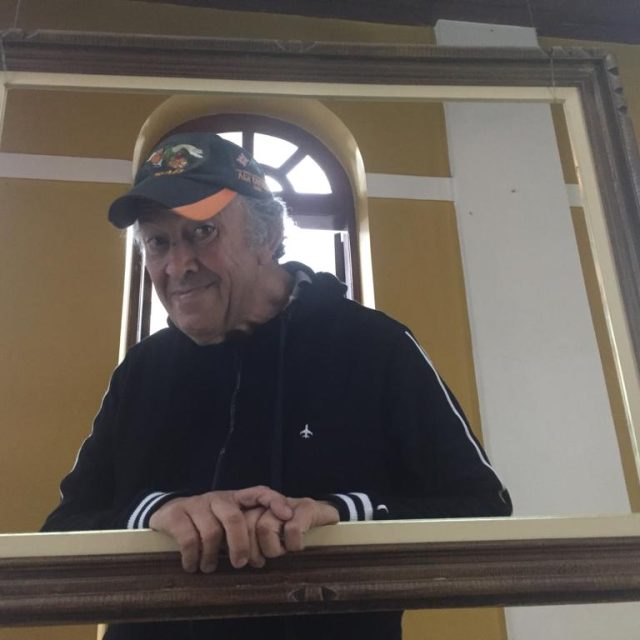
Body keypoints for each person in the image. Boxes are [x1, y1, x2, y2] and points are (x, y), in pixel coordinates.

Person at [42, 131, 512, 639]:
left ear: (266, 235)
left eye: (202, 232)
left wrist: (339, 512)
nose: (178, 266)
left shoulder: (376, 346)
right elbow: (63, 532)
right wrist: (157, 512)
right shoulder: (142, 368)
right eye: (159, 242)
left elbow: (482, 509)